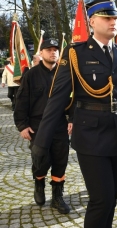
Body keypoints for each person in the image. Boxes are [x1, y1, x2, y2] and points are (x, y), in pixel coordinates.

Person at [31, 0, 117, 228]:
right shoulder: (75, 54)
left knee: (111, 198)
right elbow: (56, 101)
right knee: (101, 199)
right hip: (91, 136)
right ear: (92, 21)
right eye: (107, 17)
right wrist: (41, 143)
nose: (113, 21)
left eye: (115, 17)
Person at [14, 39, 70, 214]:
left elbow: (74, 100)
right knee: (40, 160)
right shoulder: (31, 75)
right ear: (42, 53)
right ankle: (39, 183)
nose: (53, 52)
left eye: (55, 50)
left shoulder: (65, 74)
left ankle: (57, 197)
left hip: (60, 124)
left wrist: (73, 119)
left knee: (60, 161)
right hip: (38, 126)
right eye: (49, 50)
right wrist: (22, 125)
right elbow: (20, 101)